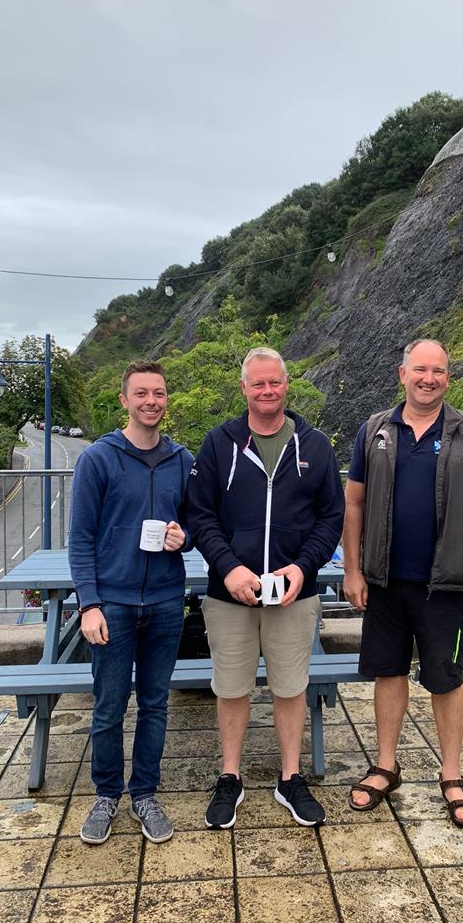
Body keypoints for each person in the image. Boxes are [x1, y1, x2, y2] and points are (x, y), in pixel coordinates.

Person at [343, 339, 463, 827]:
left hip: (445, 587)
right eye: (420, 369)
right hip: (383, 581)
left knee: (447, 679)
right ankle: (385, 765)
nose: (428, 378)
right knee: (388, 672)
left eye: (438, 371)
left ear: (447, 377)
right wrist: (353, 570)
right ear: (402, 374)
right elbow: (353, 504)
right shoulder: (375, 430)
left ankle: (452, 774)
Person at [186, 347, 344, 829]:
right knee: (230, 688)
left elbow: (331, 517)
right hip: (228, 592)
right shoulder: (219, 443)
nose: (267, 390)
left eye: (274, 382)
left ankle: (290, 777)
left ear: (286, 384)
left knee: (291, 687)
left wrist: (302, 567)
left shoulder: (315, 446)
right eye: (258, 384)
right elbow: (200, 514)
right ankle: (229, 776)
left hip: (294, 591)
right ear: (244, 389)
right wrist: (229, 568)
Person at [69, 360, 193, 845]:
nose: (151, 402)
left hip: (165, 600)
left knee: (156, 704)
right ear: (124, 400)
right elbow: (80, 539)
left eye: (158, 394)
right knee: (108, 706)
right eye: (141, 393)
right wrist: (89, 604)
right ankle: (106, 795)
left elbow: (198, 523)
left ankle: (145, 793)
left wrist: (185, 537)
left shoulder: (182, 460)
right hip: (112, 605)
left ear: (166, 400)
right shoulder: (99, 459)